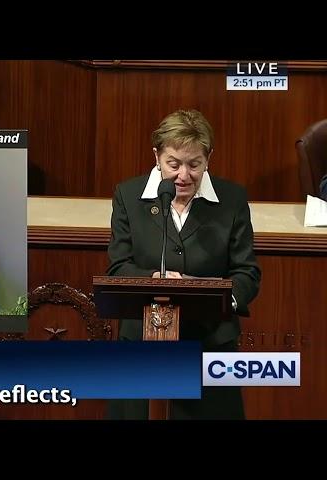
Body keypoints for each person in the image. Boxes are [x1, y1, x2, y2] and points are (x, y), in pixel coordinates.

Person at [107, 109, 261, 420]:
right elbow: (118, 267)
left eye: (195, 165)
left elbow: (247, 272)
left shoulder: (231, 199)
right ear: (157, 156)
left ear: (209, 158)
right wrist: (154, 278)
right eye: (173, 164)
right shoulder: (129, 195)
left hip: (210, 346)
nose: (184, 176)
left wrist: (219, 297)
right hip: (143, 344)